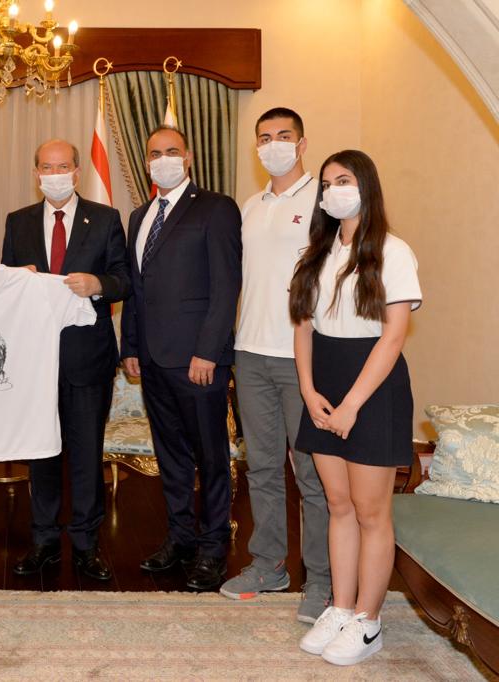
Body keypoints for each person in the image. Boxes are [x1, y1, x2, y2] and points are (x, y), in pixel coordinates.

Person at [290, 150, 421, 666]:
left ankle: (369, 620)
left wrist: (351, 405)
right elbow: (303, 327)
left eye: (343, 180)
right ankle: (341, 607)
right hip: (324, 382)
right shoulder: (317, 253)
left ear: (366, 186)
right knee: (338, 504)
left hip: (372, 387)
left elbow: (393, 337)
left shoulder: (393, 251)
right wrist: (308, 389)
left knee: (371, 511)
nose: (333, 191)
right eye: (326, 184)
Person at [219, 108, 331, 623]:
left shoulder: (324, 201)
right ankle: (269, 565)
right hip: (251, 352)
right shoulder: (251, 205)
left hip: (302, 355)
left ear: (302, 144)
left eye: (284, 136)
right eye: (264, 138)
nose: (273, 145)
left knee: (311, 472)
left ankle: (323, 579)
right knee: (262, 466)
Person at [2, 139, 130, 581]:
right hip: (34, 360)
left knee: (86, 455)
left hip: (87, 358)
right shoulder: (17, 221)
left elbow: (123, 280)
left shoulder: (106, 218)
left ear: (77, 172)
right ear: (35, 173)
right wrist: (17, 279)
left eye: (62, 167)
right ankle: (43, 541)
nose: (54, 174)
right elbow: (5, 287)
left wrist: (98, 284)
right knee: (41, 453)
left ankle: (87, 545)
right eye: (46, 167)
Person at [120, 125, 242, 591]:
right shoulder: (140, 215)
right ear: (146, 162)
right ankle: (181, 538)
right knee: (170, 455)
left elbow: (226, 285)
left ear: (188, 157)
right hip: (152, 360)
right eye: (155, 153)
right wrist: (131, 347)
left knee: (210, 456)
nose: (163, 159)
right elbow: (137, 289)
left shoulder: (215, 207)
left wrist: (208, 351)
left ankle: (213, 548)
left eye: (172, 151)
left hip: (198, 360)